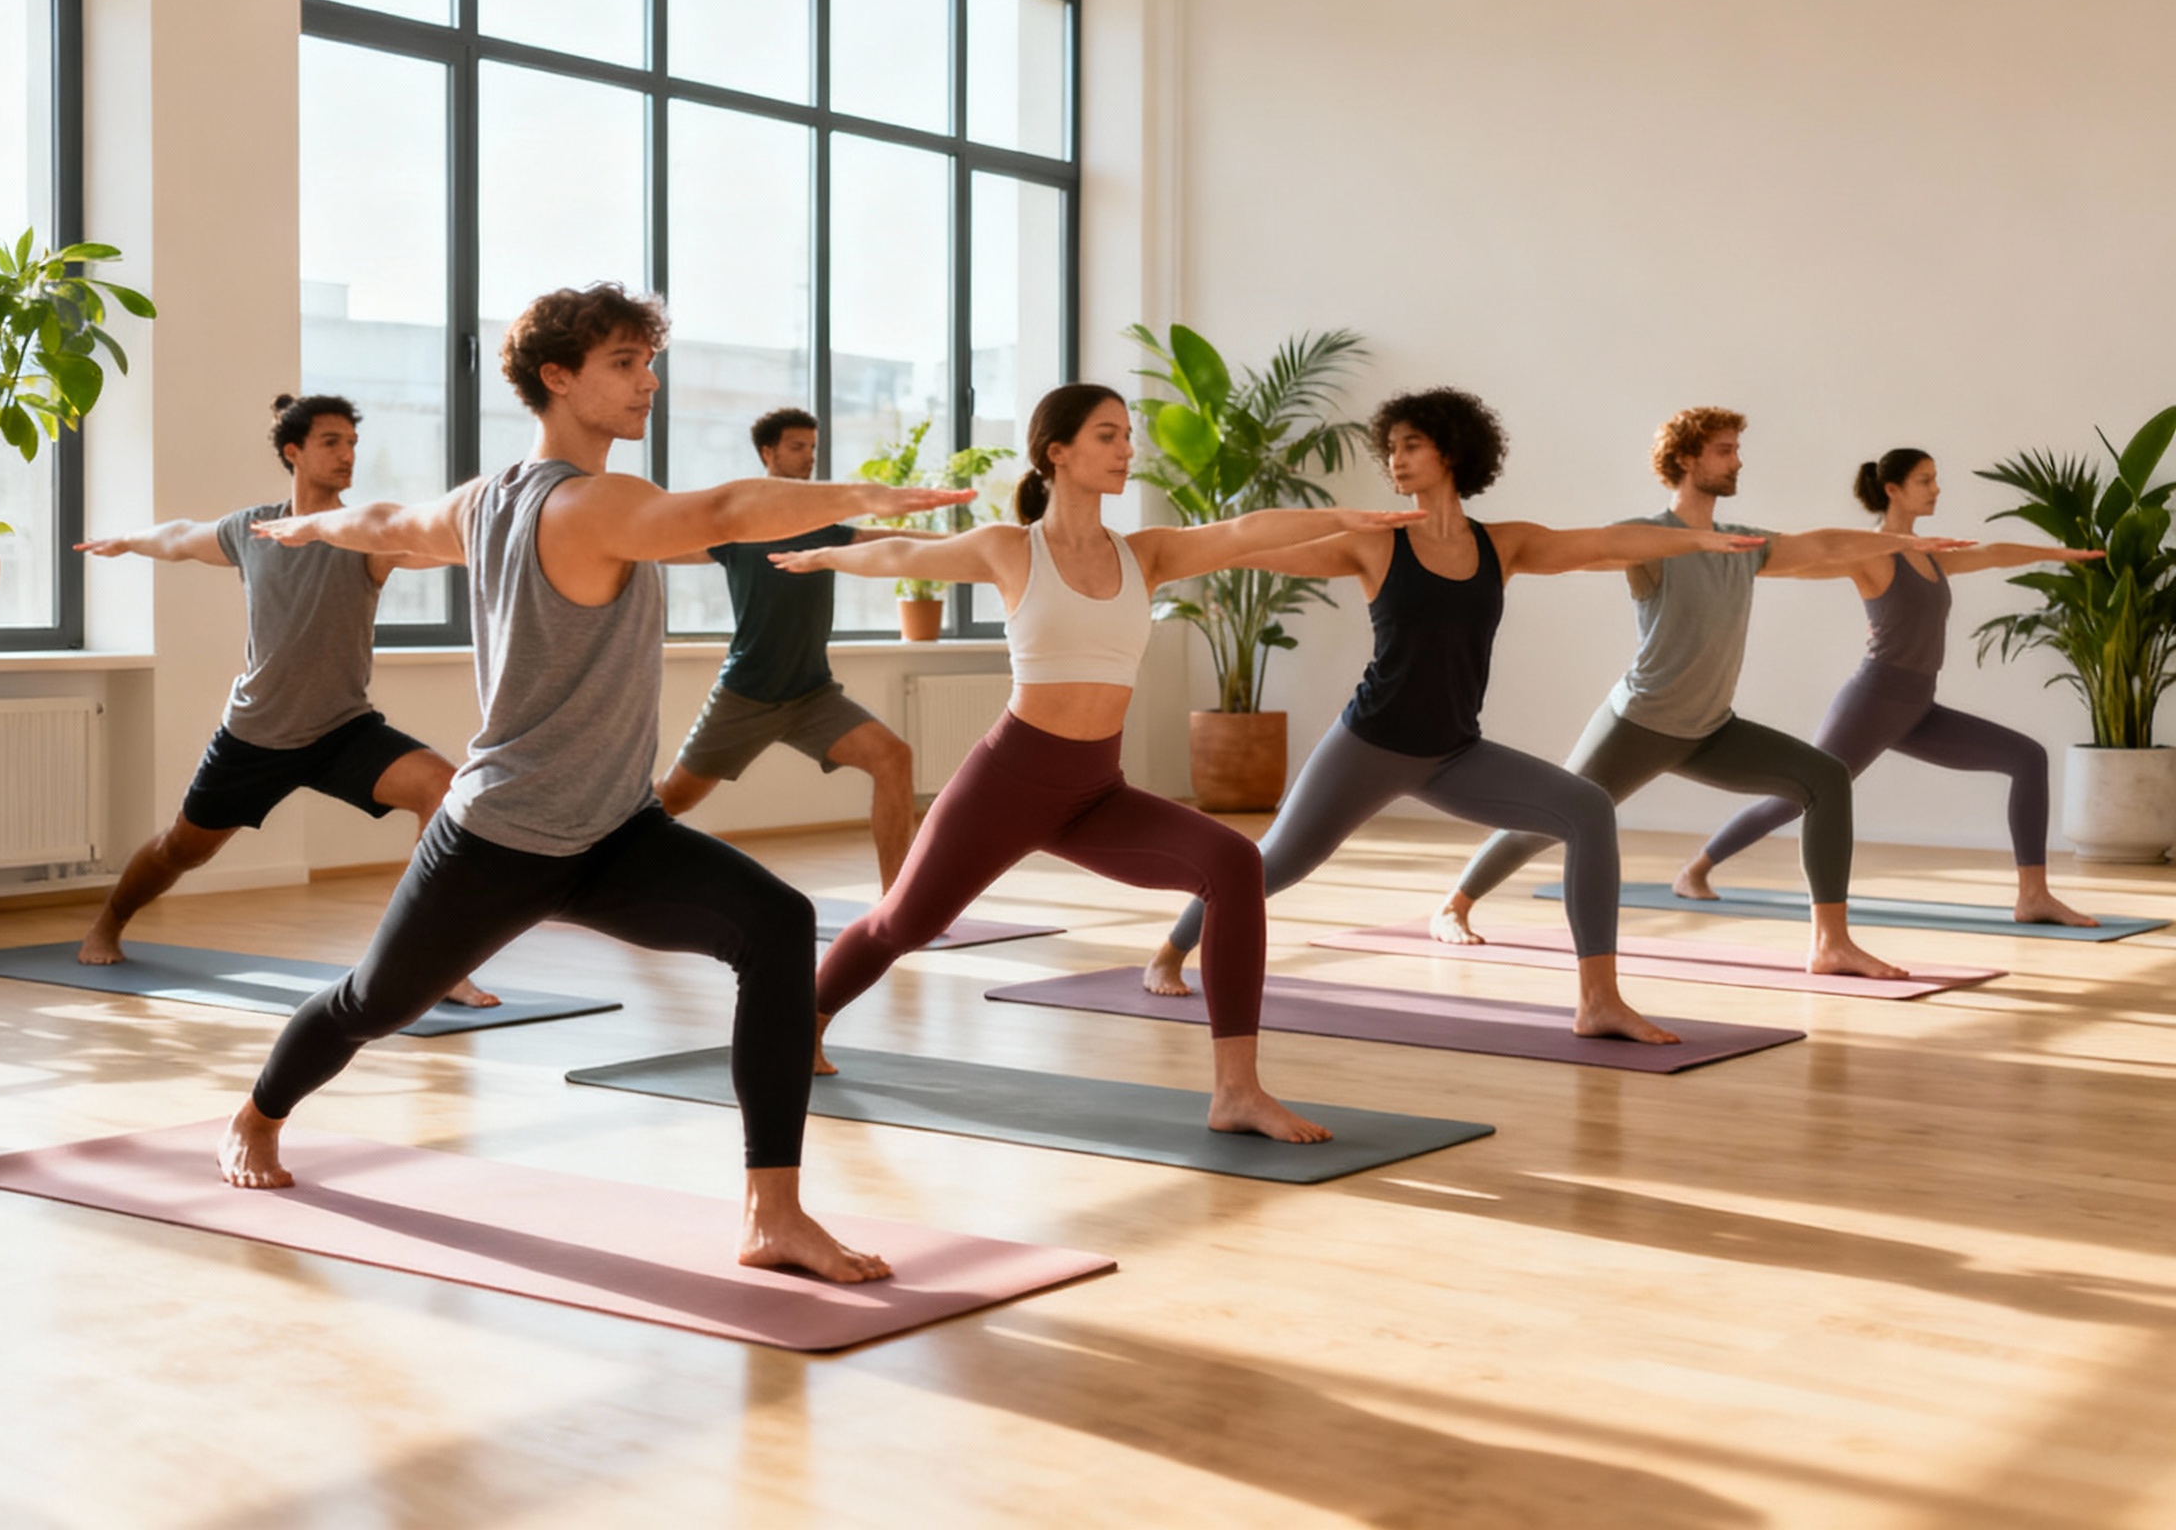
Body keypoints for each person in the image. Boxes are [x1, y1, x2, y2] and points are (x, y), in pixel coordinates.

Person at [221, 283, 969, 1283]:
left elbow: (395, 521)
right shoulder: (588, 499)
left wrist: (315, 530)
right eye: (623, 364)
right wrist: (858, 499)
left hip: (614, 831)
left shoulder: (485, 500)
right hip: (502, 835)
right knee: (371, 1004)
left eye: (648, 362)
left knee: (778, 927)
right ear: (557, 378)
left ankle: (772, 1212)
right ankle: (256, 1117)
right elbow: (728, 509)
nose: (647, 382)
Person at [775, 383, 1420, 1144]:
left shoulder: (1144, 554)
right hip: (1009, 780)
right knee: (902, 924)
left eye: (1127, 436)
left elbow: (1244, 531)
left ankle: (1237, 1091)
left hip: (1094, 791)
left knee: (1233, 862)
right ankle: (797, 1030)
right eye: (1109, 436)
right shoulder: (1010, 548)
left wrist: (1345, 517)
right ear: (1059, 452)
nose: (1127, 450)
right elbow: (905, 554)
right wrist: (824, 553)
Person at [1144, 388, 1769, 1045]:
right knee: (1278, 861)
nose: (1397, 459)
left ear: (1452, 450)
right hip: (1371, 743)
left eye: (1412, 445)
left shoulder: (1502, 545)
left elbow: (1599, 543)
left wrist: (1696, 538)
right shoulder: (1375, 546)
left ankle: (1599, 1000)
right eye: (1391, 448)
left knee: (1587, 808)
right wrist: (1165, 554)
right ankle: (1169, 950)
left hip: (1453, 752)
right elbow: (1248, 548)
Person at [1436, 406, 1971, 982]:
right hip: (1639, 724)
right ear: (1686, 459)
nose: (1737, 460)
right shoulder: (1651, 538)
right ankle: (1455, 904)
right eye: (1724, 449)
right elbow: (1585, 549)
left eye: (1737, 449)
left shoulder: (1745, 544)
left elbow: (1817, 547)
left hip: (1710, 729)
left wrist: (1890, 541)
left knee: (1825, 778)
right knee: (1547, 819)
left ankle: (1830, 944)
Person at [75, 394, 496, 1008]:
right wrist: (129, 540)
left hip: (342, 731)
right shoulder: (253, 533)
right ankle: (108, 921)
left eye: (352, 443)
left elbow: (435, 545)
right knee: (180, 849)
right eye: (332, 442)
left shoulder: (361, 538)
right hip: (254, 736)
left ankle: (430, 960)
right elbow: (180, 537)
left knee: (445, 788)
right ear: (293, 452)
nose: (348, 455)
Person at [1678, 447, 2102, 925]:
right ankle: (1696, 869)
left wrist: (2060, 555)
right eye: (1925, 480)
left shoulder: (1930, 556)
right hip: (1873, 703)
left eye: (1936, 479)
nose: (1936, 489)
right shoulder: (1872, 554)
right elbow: (1805, 559)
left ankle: (2033, 896)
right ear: (1892, 489)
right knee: (1797, 797)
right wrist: (1725, 551)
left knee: (2027, 757)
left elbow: (1991, 554)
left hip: (1918, 709)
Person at [655, 407, 918, 890]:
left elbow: (893, 541)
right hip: (745, 695)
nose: (809, 458)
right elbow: (654, 547)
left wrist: (979, 544)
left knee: (893, 757)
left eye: (813, 449)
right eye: (798, 448)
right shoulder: (736, 529)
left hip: (812, 695)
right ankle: (593, 864)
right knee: (671, 798)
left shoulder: (826, 528)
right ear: (767, 453)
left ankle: (896, 902)